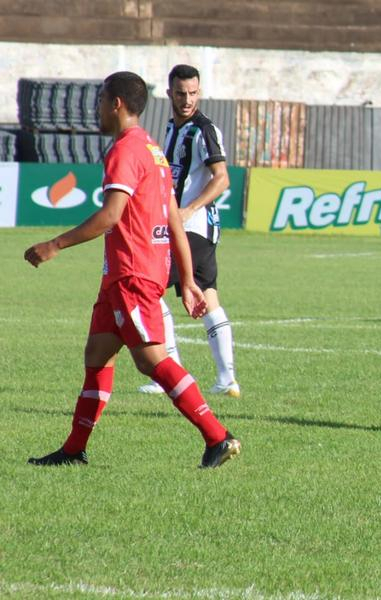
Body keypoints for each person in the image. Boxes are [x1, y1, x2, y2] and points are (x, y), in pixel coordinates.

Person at [24, 71, 242, 468]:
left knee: (151, 360)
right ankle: (74, 450)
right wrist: (189, 280)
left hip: (133, 273)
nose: (98, 109)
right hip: (121, 276)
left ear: (116, 104)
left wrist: (55, 245)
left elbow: (111, 215)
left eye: (101, 100)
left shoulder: (126, 150)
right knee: (98, 355)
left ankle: (218, 436)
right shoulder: (154, 150)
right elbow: (174, 218)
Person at [138, 64, 240, 398]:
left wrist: (188, 210)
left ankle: (168, 374)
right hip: (191, 229)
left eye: (193, 93)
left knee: (149, 289)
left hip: (193, 228)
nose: (187, 99)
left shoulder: (203, 129)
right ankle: (227, 380)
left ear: (200, 92)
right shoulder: (171, 128)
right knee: (208, 297)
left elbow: (222, 177)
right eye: (181, 93)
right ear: (169, 93)